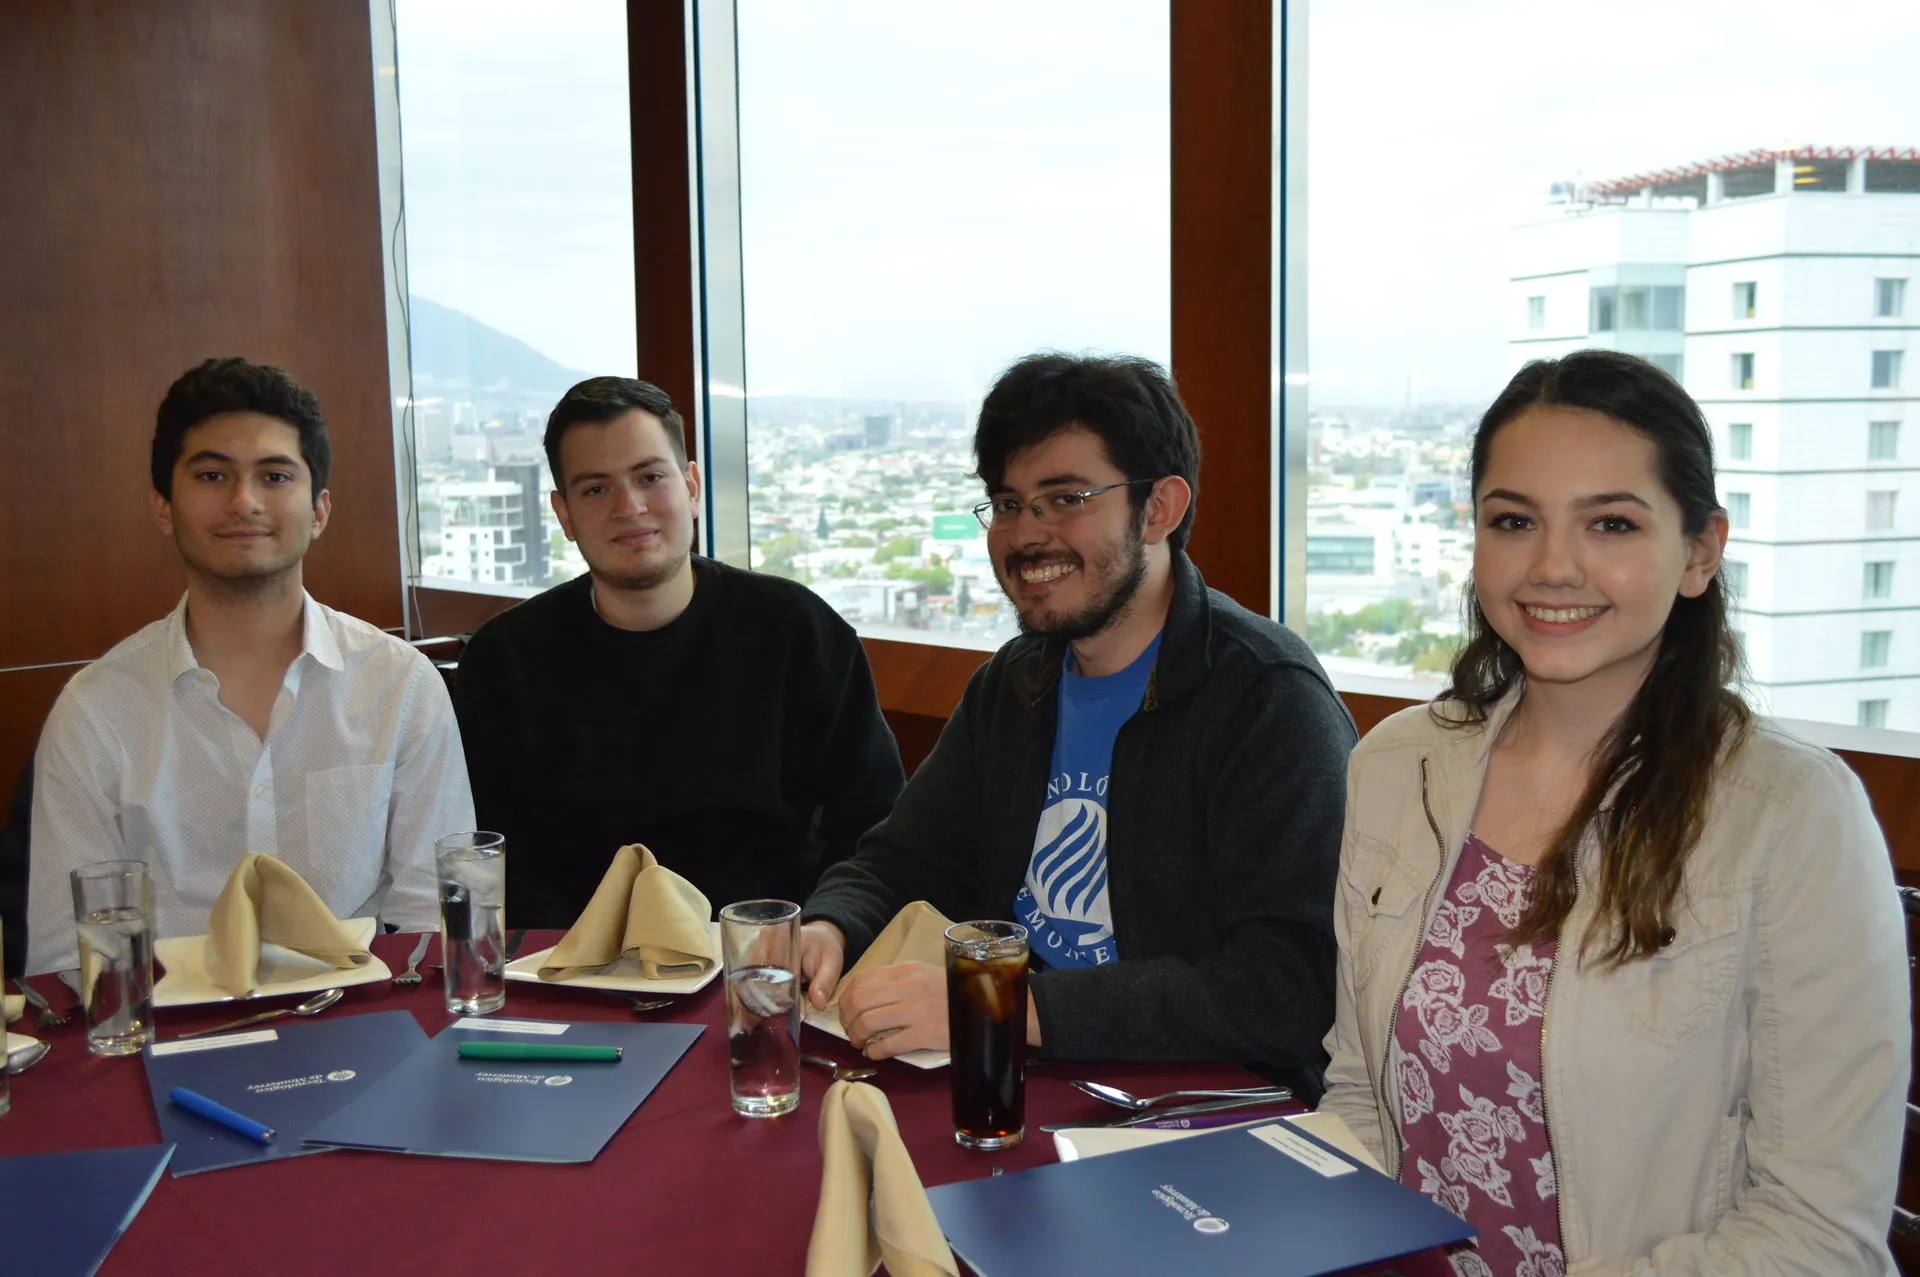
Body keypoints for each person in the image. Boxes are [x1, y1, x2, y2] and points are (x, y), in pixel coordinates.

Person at [1316, 350, 1909, 1275]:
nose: (1554, 566)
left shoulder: (1795, 819)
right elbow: (1361, 1093)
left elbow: (1816, 1233)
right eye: (1514, 520)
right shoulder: (1398, 765)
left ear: (1699, 552)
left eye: (1612, 523)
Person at [800, 352, 1356, 1096]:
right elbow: (902, 860)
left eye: (1064, 498)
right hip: (1017, 1072)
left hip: (1203, 1105)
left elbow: (1290, 984)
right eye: (1006, 503)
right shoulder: (1014, 682)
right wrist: (829, 926)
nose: (1026, 535)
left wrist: (1009, 1004)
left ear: (1159, 507)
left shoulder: (1267, 699)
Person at [25, 358, 474, 974]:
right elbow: (70, 956)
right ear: (163, 506)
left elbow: (438, 918)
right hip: (173, 1039)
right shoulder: (99, 708)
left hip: (355, 1028)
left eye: (274, 475)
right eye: (212, 474)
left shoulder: (398, 684)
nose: (244, 501)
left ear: (318, 511)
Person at [452, 377, 904, 926]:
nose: (630, 506)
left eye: (650, 477)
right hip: (571, 968)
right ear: (563, 513)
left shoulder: (797, 631)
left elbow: (873, 827)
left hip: (771, 960)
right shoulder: (505, 661)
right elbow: (495, 858)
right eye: (596, 489)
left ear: (691, 487)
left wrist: (822, 932)